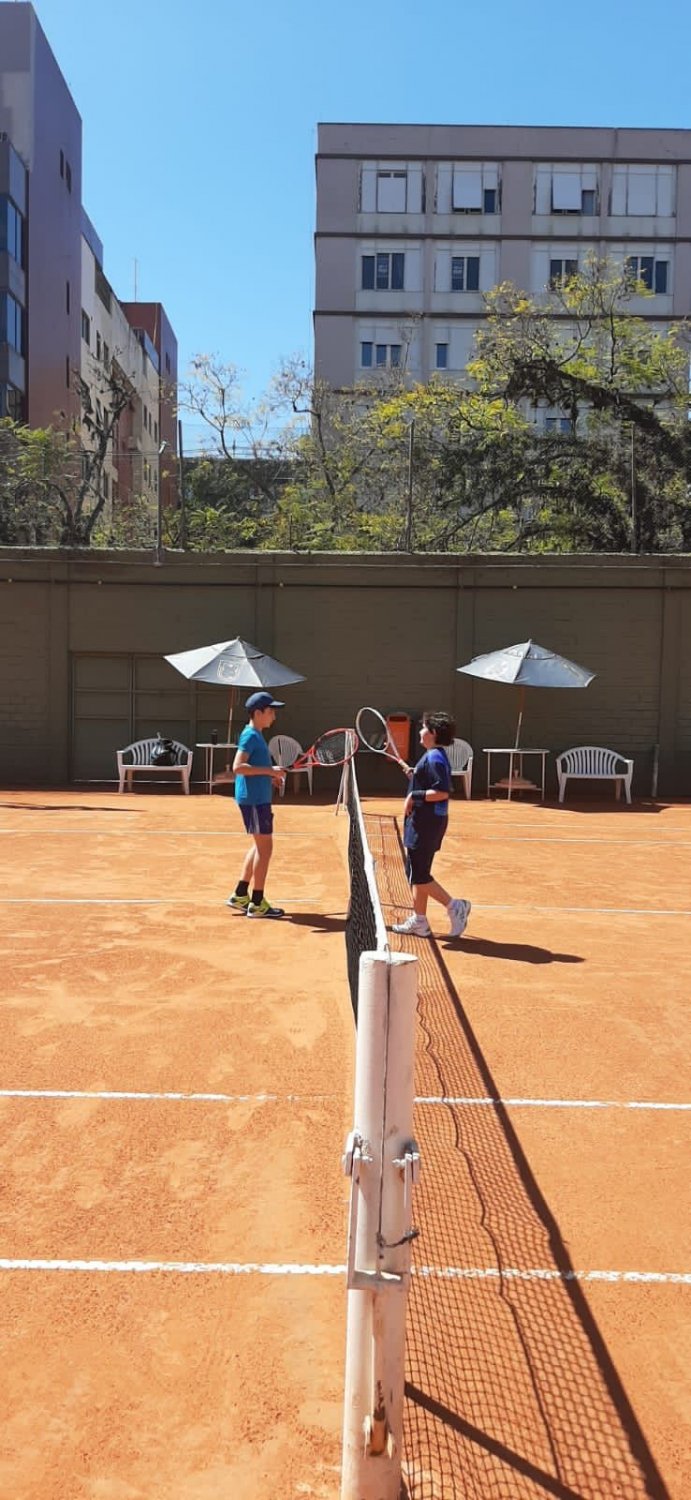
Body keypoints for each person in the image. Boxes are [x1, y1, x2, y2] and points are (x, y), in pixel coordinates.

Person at [392, 711, 471, 939]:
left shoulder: (435, 757)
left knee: (418, 875)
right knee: (419, 873)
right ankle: (420, 921)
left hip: (426, 824)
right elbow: (430, 782)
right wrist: (414, 775)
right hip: (424, 822)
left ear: (433, 733)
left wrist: (414, 795)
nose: (420, 731)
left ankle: (455, 906)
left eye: (424, 727)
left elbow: (442, 792)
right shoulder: (433, 756)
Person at [222, 691, 287, 918]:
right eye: (271, 711)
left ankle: (241, 894)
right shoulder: (250, 735)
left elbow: (253, 769)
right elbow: (238, 767)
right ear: (258, 713)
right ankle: (257, 903)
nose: (274, 716)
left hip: (256, 797)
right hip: (254, 800)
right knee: (265, 849)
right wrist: (270, 770)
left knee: (260, 846)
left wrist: (270, 776)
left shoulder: (256, 735)